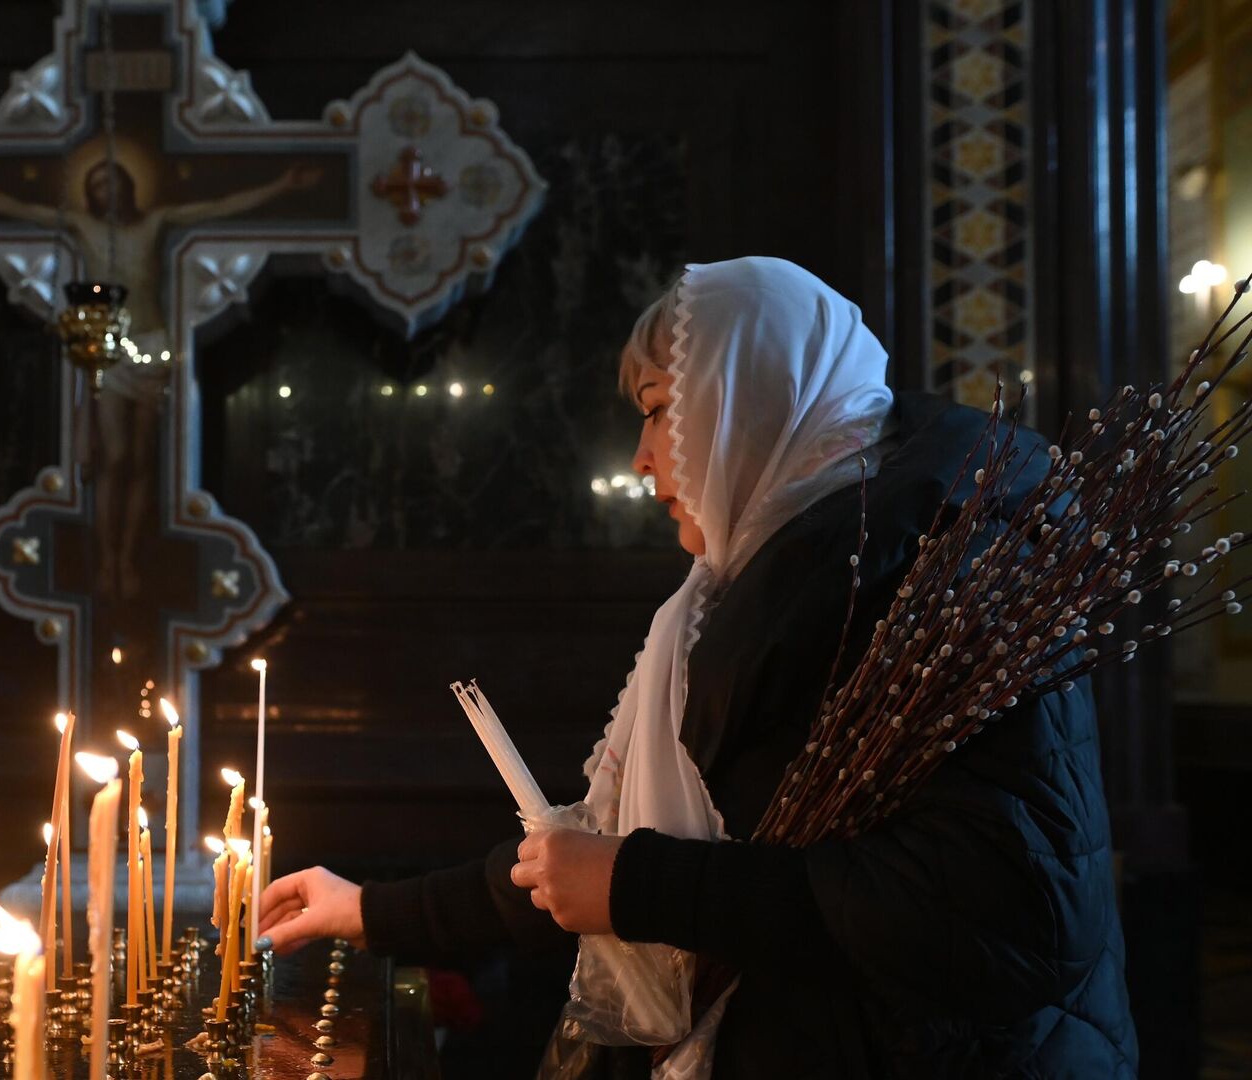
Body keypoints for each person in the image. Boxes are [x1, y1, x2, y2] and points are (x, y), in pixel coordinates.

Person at [259, 258, 1138, 1076]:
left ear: (748, 399)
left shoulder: (937, 580)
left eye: (656, 408)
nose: (641, 458)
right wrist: (371, 910)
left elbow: (1011, 922)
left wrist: (640, 885)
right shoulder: (756, 586)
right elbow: (587, 859)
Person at [0, 157, 321, 598]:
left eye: (110, 182)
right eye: (95, 186)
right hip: (108, 346)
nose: (103, 191)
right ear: (90, 196)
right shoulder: (80, 225)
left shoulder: (156, 223)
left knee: (141, 459)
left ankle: (128, 557)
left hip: (152, 344)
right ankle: (107, 558)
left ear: (127, 186)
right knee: (114, 458)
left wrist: (282, 184)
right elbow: (19, 209)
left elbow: (219, 207)